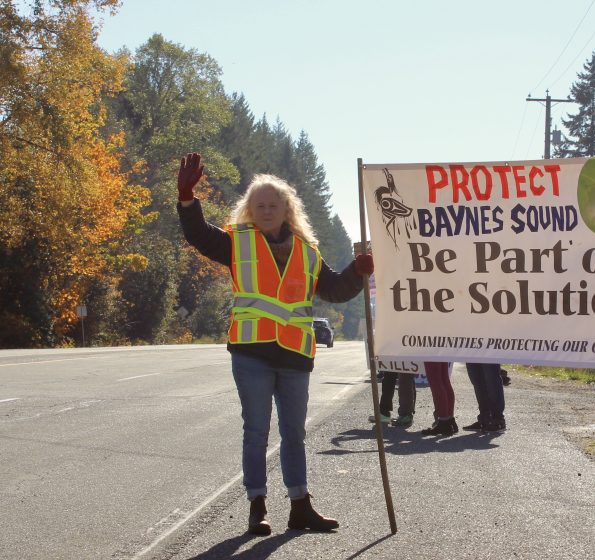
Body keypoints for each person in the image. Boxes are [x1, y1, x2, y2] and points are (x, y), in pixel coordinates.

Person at [177, 152, 372, 536]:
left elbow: (334, 290)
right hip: (252, 353)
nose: (266, 210)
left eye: (273, 204)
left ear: (287, 209)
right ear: (249, 209)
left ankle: (300, 507)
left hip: (295, 356)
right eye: (259, 205)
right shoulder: (236, 242)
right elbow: (199, 235)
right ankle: (257, 506)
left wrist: (357, 272)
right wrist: (187, 199)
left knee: (295, 433)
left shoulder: (307, 251)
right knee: (256, 431)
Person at [461, 363, 507, 433]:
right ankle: (484, 420)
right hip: (472, 353)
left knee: (492, 378)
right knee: (476, 379)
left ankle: (498, 420)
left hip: (489, 353)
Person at [420, 361, 457, 436]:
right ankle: (449, 420)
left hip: (432, 351)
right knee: (444, 380)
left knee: (435, 381)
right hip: (442, 350)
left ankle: (444, 422)